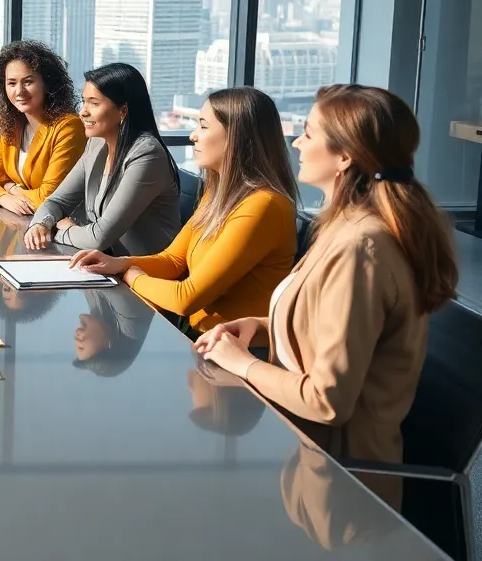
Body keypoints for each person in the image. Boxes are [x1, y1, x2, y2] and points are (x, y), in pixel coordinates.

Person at [196, 84, 458, 470]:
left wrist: (242, 364)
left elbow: (326, 400)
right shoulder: (344, 228)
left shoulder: (359, 249)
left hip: (337, 482)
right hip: (304, 454)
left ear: (345, 157)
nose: (297, 143)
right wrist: (260, 325)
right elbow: (329, 324)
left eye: (309, 133)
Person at [72, 87, 298, 336]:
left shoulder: (263, 206)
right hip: (203, 341)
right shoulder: (220, 194)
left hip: (238, 353)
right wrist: (118, 263)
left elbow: (186, 299)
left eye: (203, 126)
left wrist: (131, 274)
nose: (193, 136)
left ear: (236, 136)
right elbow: (173, 260)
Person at [26, 63, 180, 255]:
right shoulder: (97, 144)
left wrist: (58, 229)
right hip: (107, 265)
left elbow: (99, 238)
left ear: (123, 110)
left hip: (145, 275)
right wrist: (40, 225)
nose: (83, 112)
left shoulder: (147, 154)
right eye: (84, 101)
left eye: (94, 103)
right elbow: (57, 201)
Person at [0, 40, 86, 215]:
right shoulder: (13, 125)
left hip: (59, 229)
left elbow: (49, 198)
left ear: (47, 83)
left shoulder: (68, 127)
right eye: (11, 83)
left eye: (28, 82)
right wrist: (4, 198)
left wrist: (10, 188)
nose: (19, 91)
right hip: (20, 226)